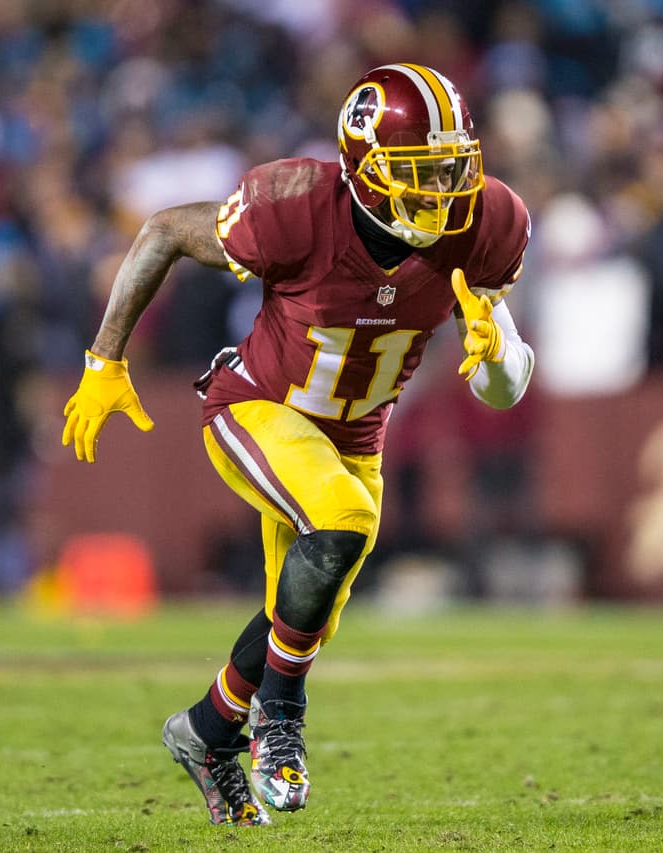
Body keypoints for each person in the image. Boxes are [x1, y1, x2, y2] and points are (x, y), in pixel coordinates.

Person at [60, 64, 534, 826]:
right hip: (257, 408)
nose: (441, 191)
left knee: (306, 612)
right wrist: (105, 357)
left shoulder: (484, 226)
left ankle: (208, 730)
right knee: (341, 525)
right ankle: (281, 722)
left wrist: (497, 355)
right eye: (419, 172)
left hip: (356, 440)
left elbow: (505, 387)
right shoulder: (296, 208)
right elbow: (164, 231)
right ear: (362, 168)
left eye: (452, 169)